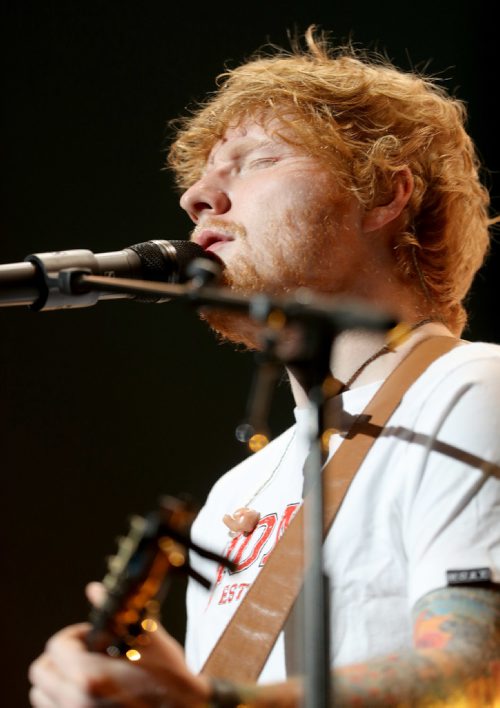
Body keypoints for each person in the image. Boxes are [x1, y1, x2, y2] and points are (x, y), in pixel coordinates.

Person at [29, 27, 500, 706]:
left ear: (385, 195)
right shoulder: (235, 495)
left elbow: (476, 674)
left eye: (255, 161)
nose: (197, 197)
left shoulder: (468, 389)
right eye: (199, 179)